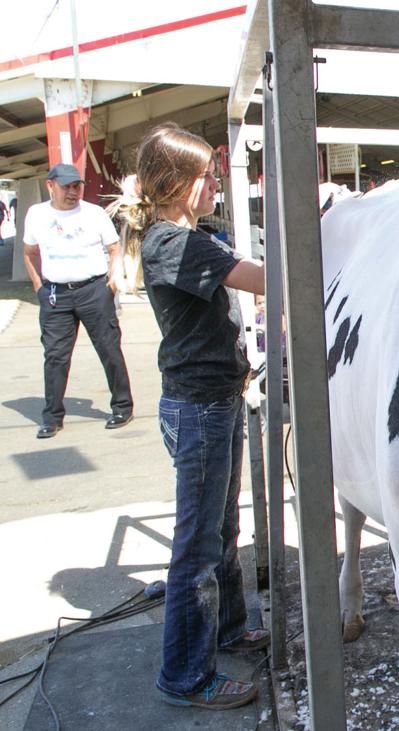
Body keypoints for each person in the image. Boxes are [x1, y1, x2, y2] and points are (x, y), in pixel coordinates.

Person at [115, 123, 266, 710]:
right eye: (205, 175)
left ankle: (227, 629)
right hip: (201, 408)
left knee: (221, 532)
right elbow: (267, 280)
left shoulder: (183, 236)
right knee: (198, 548)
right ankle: (184, 674)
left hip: (213, 399)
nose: (213, 186)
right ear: (176, 183)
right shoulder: (176, 245)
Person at [22, 163, 134, 438]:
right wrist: (38, 286)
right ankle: (52, 416)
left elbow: (114, 247)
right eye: (66, 187)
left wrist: (111, 282)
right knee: (55, 356)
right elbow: (29, 252)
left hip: (93, 289)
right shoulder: (37, 215)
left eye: (77, 186)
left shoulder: (94, 214)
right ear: (50, 186)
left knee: (108, 348)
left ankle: (122, 406)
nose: (73, 192)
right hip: (55, 294)